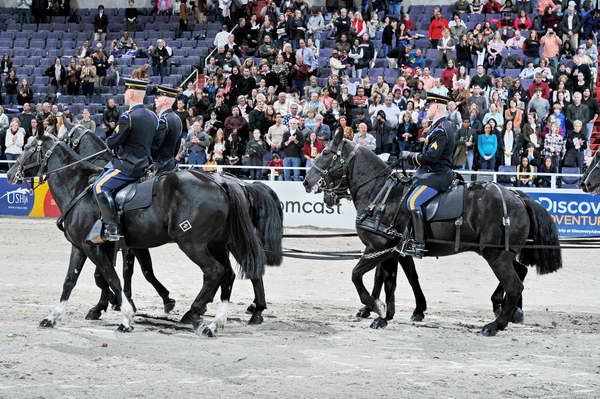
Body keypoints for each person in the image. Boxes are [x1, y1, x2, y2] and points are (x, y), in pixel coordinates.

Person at [87, 78, 159, 244]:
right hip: (145, 165)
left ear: (132, 93)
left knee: (99, 186)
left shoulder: (128, 116)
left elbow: (113, 142)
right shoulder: (153, 116)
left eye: (126, 91)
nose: (124, 94)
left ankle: (112, 228)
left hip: (128, 166)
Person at [397, 92, 455, 258]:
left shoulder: (441, 130)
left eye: (429, 105)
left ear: (437, 107)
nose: (426, 108)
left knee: (413, 202)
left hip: (437, 175)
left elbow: (431, 157)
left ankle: (419, 244)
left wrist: (409, 156)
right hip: (432, 173)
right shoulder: (440, 127)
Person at [152, 85, 183, 173]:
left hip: (159, 166)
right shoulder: (177, 118)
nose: (156, 99)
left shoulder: (163, 120)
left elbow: (155, 146)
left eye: (159, 96)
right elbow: (178, 144)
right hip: (170, 164)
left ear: (165, 101)